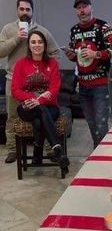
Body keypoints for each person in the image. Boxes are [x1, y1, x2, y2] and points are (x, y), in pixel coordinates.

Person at [0, 0, 60, 163]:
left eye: (28, 9)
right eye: (22, 9)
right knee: (12, 117)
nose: (25, 12)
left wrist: (48, 68)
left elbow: (55, 52)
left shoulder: (42, 31)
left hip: (39, 83)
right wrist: (17, 38)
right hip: (14, 80)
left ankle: (49, 149)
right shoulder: (8, 29)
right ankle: (12, 149)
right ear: (17, 10)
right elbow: (0, 51)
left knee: (43, 112)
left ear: (32, 11)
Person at [65, 0, 112, 148]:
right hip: (83, 86)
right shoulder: (74, 30)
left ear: (91, 7)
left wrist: (96, 54)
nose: (82, 10)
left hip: (101, 85)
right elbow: (76, 55)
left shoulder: (103, 26)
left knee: (101, 124)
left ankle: (102, 158)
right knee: (91, 123)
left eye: (84, 6)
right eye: (78, 8)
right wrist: (71, 56)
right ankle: (98, 155)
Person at [11, 30, 69, 172]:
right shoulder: (20, 64)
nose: (37, 45)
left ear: (45, 44)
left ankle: (38, 152)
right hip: (27, 107)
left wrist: (40, 100)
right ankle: (58, 150)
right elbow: (15, 90)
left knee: (39, 119)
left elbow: (55, 88)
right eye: (33, 42)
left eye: (40, 42)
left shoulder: (52, 63)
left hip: (50, 107)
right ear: (29, 45)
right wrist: (32, 99)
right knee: (39, 111)